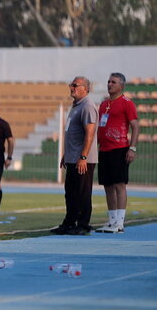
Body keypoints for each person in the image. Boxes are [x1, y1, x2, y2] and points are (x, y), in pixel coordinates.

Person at [51, 76, 98, 236]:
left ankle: (83, 224)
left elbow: (90, 133)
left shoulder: (87, 106)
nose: (71, 87)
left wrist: (83, 157)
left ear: (85, 88)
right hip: (72, 158)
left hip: (83, 160)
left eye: (75, 85)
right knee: (70, 193)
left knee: (82, 193)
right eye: (71, 84)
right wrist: (66, 154)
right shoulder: (76, 106)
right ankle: (69, 222)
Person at [95, 73, 139, 233]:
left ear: (121, 86)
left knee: (119, 185)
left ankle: (120, 222)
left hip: (119, 148)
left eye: (113, 82)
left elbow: (135, 126)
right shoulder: (104, 104)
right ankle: (111, 221)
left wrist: (132, 148)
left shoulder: (127, 103)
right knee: (107, 185)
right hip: (104, 149)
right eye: (108, 81)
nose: (109, 84)